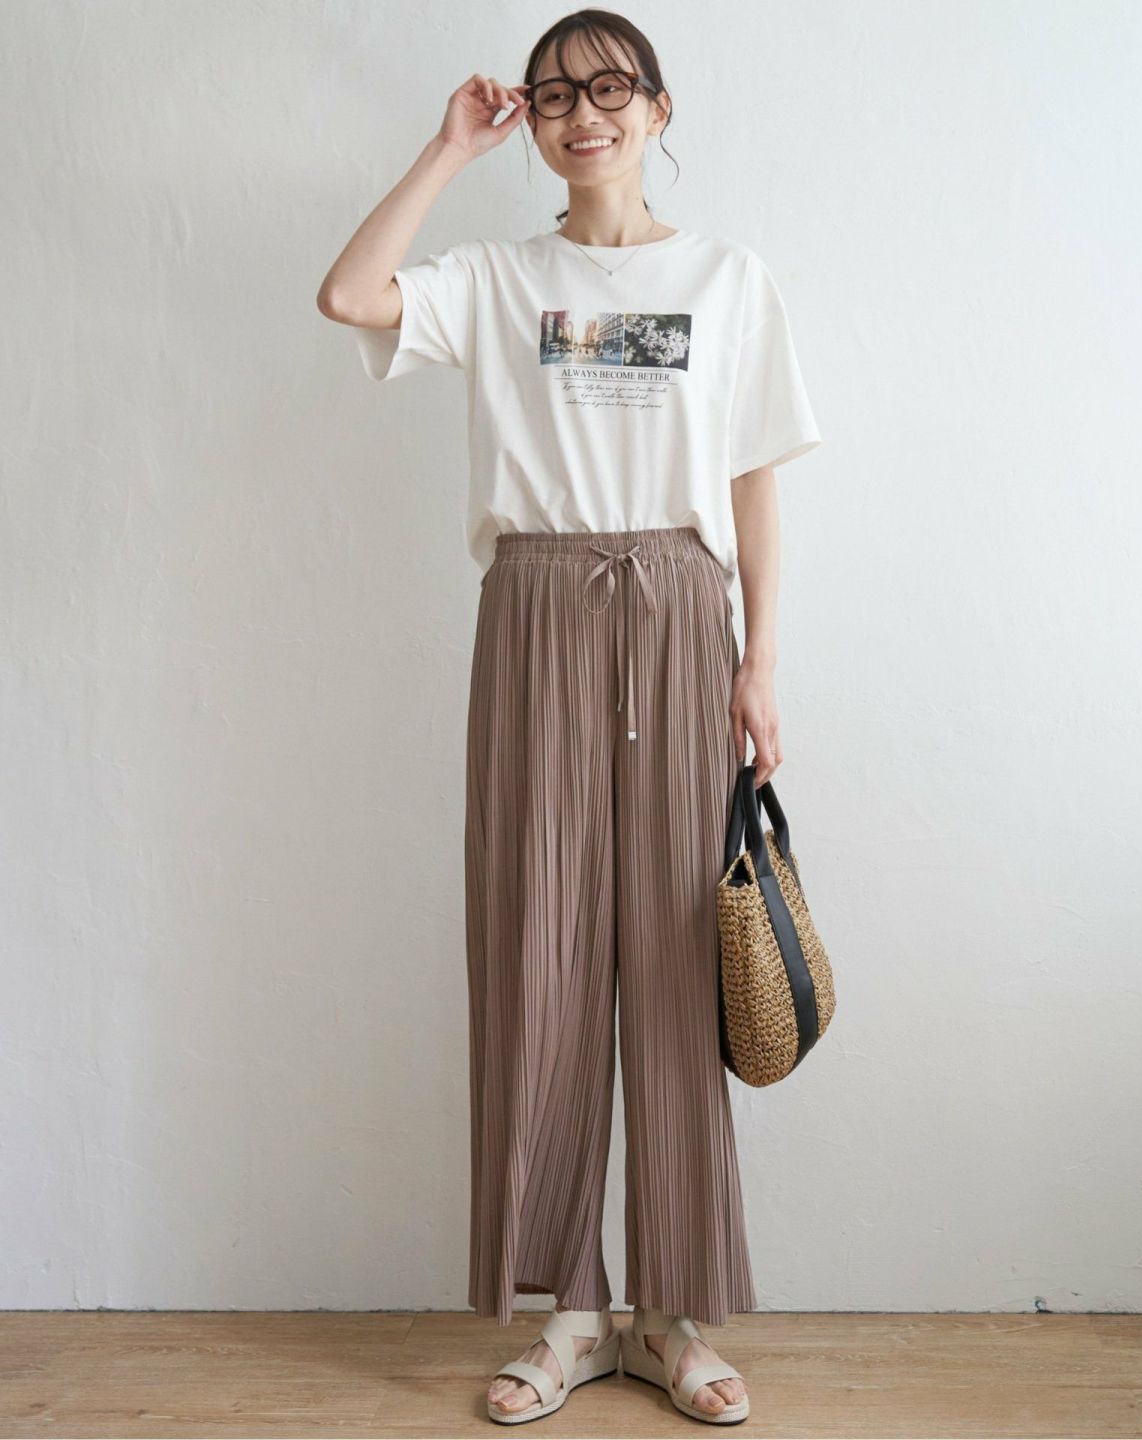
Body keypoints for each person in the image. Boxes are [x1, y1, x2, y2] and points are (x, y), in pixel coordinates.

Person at [317, 7, 821, 1424]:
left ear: (659, 108)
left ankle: (671, 1315)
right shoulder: (497, 277)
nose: (581, 114)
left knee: (673, 957)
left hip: (680, 608)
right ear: (527, 122)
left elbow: (758, 478)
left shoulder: (728, 280)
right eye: (552, 96)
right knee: (540, 950)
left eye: (609, 89)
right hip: (537, 607)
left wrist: (760, 661)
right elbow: (350, 296)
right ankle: (571, 1314)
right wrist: (445, 150)